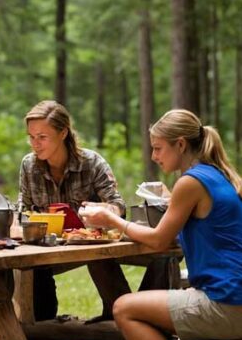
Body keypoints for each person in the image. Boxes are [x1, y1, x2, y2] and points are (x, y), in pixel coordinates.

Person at [79, 109, 242, 340]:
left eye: (158, 147)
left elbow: (157, 240)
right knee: (150, 304)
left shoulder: (191, 182)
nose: (153, 155)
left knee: (124, 308)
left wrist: (111, 218)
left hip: (228, 308)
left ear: (181, 145)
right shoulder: (219, 173)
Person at [19, 100, 168, 325]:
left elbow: (118, 206)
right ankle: (44, 339)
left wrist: (103, 212)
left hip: (91, 244)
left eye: (42, 137)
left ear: (63, 133)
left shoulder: (91, 162)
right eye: (31, 137)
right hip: (48, 246)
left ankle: (122, 321)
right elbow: (23, 211)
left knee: (150, 257)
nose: (35, 144)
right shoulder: (29, 166)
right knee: (30, 265)